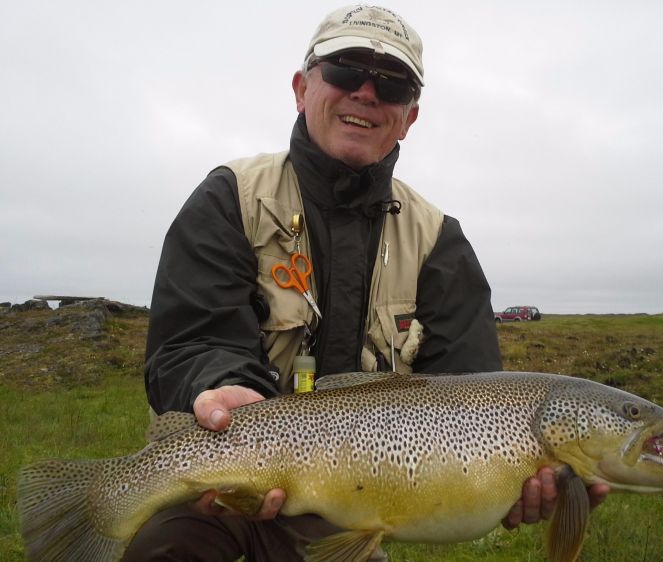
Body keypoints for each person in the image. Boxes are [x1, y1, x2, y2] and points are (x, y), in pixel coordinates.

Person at [125, 5, 608, 561]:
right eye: (346, 69)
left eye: (392, 83)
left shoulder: (440, 245)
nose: (366, 92)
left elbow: (468, 396)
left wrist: (510, 482)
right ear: (302, 87)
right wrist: (225, 393)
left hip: (349, 516)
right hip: (220, 476)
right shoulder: (230, 199)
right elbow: (190, 343)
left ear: (410, 116)